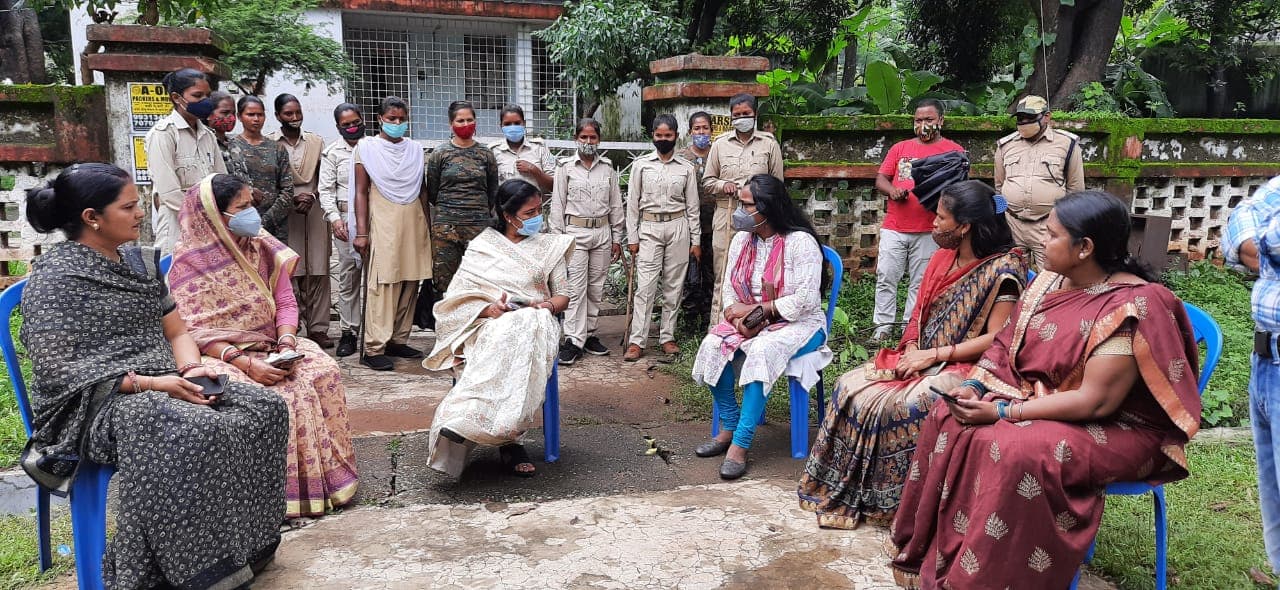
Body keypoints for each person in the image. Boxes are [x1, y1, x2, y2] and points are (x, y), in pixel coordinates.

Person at [888, 191, 1200, 589]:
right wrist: (972, 386)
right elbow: (1004, 346)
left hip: (1120, 426)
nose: (1040, 241)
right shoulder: (1050, 282)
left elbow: (1096, 400)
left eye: (1051, 235)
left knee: (1014, 449)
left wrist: (1003, 413)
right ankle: (940, 554)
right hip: (1039, 395)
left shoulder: (1134, 306)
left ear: (1084, 247)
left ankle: (986, 578)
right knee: (949, 413)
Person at [21, 163, 288, 588]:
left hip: (166, 378)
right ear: (93, 218)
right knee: (190, 428)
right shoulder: (54, 281)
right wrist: (150, 383)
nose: (141, 212)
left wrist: (192, 369)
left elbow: (177, 329)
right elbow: (59, 372)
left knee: (263, 407)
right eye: (129, 207)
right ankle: (193, 571)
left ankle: (248, 547)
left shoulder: (139, 263)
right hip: (97, 404)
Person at [797, 180, 1028, 529]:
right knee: (848, 386)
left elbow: (999, 337)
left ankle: (893, 506)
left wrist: (935, 355)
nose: (933, 224)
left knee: (899, 406)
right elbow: (918, 313)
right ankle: (838, 486)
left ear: (964, 226)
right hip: (923, 354)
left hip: (969, 368)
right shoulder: (941, 258)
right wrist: (910, 349)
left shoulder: (1003, 271)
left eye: (940, 218)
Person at [168, 173, 359, 519]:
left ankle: (326, 483)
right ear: (215, 216)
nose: (252, 214)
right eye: (241, 208)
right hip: (221, 352)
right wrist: (245, 363)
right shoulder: (189, 263)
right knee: (265, 393)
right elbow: (191, 330)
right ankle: (264, 497)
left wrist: (286, 340)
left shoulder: (263, 245)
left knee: (322, 372)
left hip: (271, 343)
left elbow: (285, 300)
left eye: (251, 204)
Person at [424, 179, 575, 478]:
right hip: (491, 323)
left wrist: (546, 306)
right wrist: (488, 308)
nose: (537, 217)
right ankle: (469, 422)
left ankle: (501, 433)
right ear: (508, 215)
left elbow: (563, 295)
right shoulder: (483, 247)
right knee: (501, 334)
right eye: (529, 212)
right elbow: (456, 296)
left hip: (536, 320)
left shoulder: (550, 246)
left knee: (523, 325)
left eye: (539, 210)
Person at [690, 174, 832, 480]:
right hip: (749, 320)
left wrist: (761, 310)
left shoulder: (800, 243)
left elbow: (806, 300)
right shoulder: (743, 239)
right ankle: (729, 425)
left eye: (746, 205)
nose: (740, 211)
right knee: (713, 344)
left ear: (767, 207)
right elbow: (728, 287)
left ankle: (740, 445)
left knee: (763, 350)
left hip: (799, 323)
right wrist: (734, 315)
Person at [871, 99, 965, 341]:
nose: (923, 125)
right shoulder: (900, 148)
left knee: (920, 282)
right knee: (886, 276)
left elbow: (959, 189)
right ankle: (881, 328)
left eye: (929, 120)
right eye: (918, 120)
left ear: (941, 121)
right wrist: (892, 191)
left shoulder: (954, 151)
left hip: (929, 230)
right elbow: (881, 178)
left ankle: (909, 329)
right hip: (895, 226)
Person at [1223, 175, 1280, 577]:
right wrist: (1261, 245)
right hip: (1266, 361)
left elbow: (1271, 238)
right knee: (1274, 503)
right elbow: (1238, 220)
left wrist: (1263, 243)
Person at [352, 96, 433, 371]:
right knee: (384, 282)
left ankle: (398, 339)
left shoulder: (415, 149)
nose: (397, 123)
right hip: (383, 220)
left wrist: (429, 228)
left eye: (401, 119)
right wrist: (361, 232)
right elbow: (360, 192)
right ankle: (374, 346)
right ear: (379, 119)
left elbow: (422, 190)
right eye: (391, 119)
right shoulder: (367, 148)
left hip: (414, 219)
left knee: (411, 280)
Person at [702, 94, 784, 324]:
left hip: (760, 218)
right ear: (731, 117)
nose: (741, 119)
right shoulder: (720, 144)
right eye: (736, 115)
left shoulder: (769, 144)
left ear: (755, 115)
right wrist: (723, 185)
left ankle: (752, 323)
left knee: (756, 272)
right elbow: (708, 181)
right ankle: (717, 328)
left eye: (746, 114)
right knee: (724, 272)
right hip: (727, 213)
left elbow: (778, 185)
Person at [624, 114, 701, 361]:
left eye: (668, 136)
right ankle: (637, 341)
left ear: (676, 136)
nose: (663, 139)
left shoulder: (686, 168)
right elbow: (632, 205)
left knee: (674, 286)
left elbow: (693, 207)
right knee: (645, 287)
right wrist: (632, 236)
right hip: (649, 227)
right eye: (659, 135)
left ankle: (668, 337)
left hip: (679, 227)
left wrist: (696, 240)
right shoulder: (641, 165)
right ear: (653, 136)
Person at [550, 118, 624, 365]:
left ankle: (590, 334)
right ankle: (572, 339)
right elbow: (557, 204)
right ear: (576, 139)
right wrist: (557, 240)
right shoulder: (565, 167)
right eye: (584, 137)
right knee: (575, 289)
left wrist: (617, 237)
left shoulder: (608, 168)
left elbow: (616, 205)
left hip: (602, 232)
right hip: (575, 233)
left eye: (593, 138)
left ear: (599, 140)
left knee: (596, 287)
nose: (588, 142)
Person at [268, 94, 332, 348]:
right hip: (285, 209)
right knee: (289, 269)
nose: (294, 118)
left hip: (314, 207)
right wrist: (291, 198)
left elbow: (323, 177)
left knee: (318, 268)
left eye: (298, 113)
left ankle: (319, 328)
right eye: (288, 114)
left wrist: (312, 196)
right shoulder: (271, 143)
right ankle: (292, 326)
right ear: (277, 116)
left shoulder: (316, 142)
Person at [994, 94, 1085, 268]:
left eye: (1030, 118)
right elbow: (999, 186)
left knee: (1050, 278)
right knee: (1011, 276)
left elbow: (1076, 190)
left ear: (1046, 117)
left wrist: (1065, 226)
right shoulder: (1005, 146)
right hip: (1012, 224)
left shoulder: (1067, 144)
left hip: (1048, 225)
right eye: (1020, 118)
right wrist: (1001, 221)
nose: (1024, 122)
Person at [143, 68, 227, 252]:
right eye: (197, 95)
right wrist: (201, 219)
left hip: (210, 224)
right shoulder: (163, 134)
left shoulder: (208, 135)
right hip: (176, 224)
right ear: (176, 97)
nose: (205, 101)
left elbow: (221, 180)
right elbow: (169, 191)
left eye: (207, 95)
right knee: (173, 277)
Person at [427, 100, 500, 296]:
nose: (465, 124)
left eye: (469, 119)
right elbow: (432, 191)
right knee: (444, 281)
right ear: (451, 124)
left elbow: (493, 190)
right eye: (460, 120)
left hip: (479, 227)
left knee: (480, 279)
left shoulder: (485, 154)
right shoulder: (440, 153)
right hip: (446, 228)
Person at [318, 102, 366, 358]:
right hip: (346, 220)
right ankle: (349, 332)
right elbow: (325, 190)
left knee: (378, 278)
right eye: (346, 124)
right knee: (348, 279)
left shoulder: (374, 148)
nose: (352, 127)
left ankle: (375, 333)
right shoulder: (332, 153)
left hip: (374, 219)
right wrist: (335, 220)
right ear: (338, 127)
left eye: (355, 122)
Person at [225, 95, 294, 242]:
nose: (256, 119)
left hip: (275, 227)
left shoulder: (277, 149)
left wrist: (264, 222)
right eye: (250, 114)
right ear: (239, 116)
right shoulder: (230, 148)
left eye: (260, 114)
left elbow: (287, 190)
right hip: (241, 224)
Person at [679, 111, 717, 329]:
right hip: (689, 226)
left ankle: (709, 318)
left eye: (705, 128)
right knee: (691, 275)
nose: (701, 132)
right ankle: (690, 320)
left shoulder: (718, 154)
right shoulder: (682, 158)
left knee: (712, 273)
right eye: (697, 128)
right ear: (690, 131)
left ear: (711, 130)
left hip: (714, 224)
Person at [490, 104, 555, 193]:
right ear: (501, 126)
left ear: (524, 124)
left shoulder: (539, 148)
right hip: (504, 206)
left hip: (533, 205)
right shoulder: (493, 151)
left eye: (517, 123)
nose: (512, 127)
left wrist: (534, 170)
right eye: (507, 124)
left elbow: (554, 186)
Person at [205, 90, 237, 155]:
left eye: (233, 113)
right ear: (208, 114)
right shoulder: (202, 144)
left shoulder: (235, 144)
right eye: (225, 112)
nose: (231, 117)